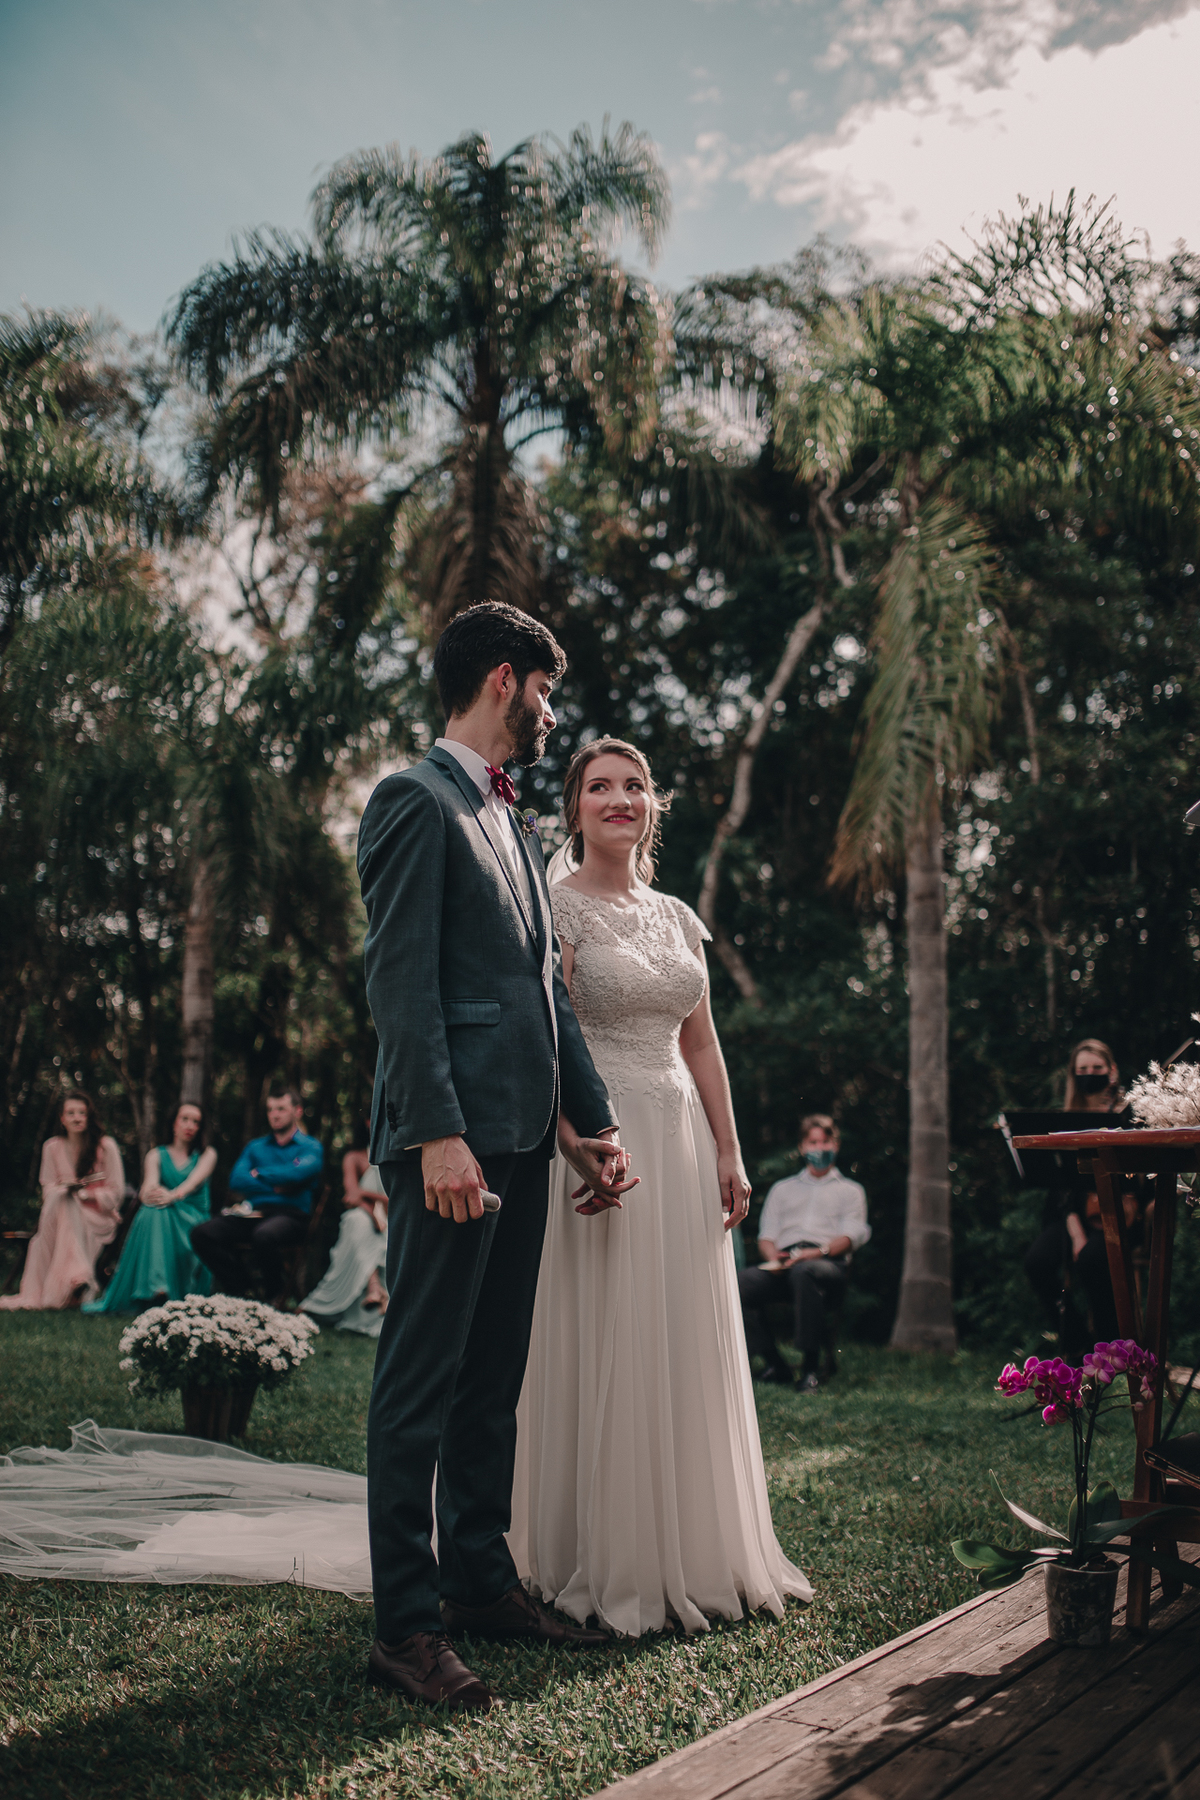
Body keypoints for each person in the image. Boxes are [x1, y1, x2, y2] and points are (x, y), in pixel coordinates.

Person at [357, 602, 634, 1714]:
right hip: (454, 1146)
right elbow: (402, 988)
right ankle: (405, 1628)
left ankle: (479, 1581)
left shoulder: (511, 824)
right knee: (417, 1385)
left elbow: (539, 993)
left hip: (521, 1140)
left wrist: (593, 1123)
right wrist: (437, 1136)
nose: (551, 715)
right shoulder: (412, 801)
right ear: (506, 679)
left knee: (492, 1380)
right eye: (545, 693)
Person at [511, 739, 810, 1636]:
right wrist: (574, 1140)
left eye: (633, 785)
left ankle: (698, 1546)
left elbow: (701, 1042)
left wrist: (731, 1149)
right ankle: (586, 1554)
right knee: (605, 1330)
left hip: (681, 1144)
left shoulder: (679, 917)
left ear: (653, 805)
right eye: (599, 787)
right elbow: (546, 1039)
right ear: (574, 810)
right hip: (604, 1143)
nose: (619, 798)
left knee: (680, 1332)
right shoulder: (553, 909)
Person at [737, 1116, 871, 1392]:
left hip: (827, 1263)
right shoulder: (782, 1189)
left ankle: (810, 1368)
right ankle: (775, 1364)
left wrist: (816, 1253)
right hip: (785, 1262)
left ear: (836, 1145)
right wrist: (775, 1258)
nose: (819, 1147)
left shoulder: (851, 1191)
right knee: (741, 1283)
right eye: (813, 1142)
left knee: (805, 1271)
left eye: (825, 1141)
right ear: (801, 1147)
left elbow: (851, 1237)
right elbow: (767, 1237)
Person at [1023, 1037, 1137, 1351]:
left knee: (1092, 1260)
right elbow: (1062, 1187)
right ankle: (1078, 1345)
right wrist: (1075, 1234)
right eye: (1082, 1069)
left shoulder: (1131, 1114)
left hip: (1118, 1212)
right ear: (1074, 1074)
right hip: (1071, 1215)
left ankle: (1110, 1344)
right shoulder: (1065, 1119)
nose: (1090, 1073)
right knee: (1038, 1261)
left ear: (1111, 1070)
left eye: (1096, 1067)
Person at [190, 1087, 323, 1303]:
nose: (274, 1114)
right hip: (252, 1214)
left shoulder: (311, 1147)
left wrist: (259, 1173)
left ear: (297, 1111)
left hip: (291, 1216)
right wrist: (278, 1184)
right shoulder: (256, 1147)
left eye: (281, 1108)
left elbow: (298, 1174)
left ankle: (274, 1296)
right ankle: (243, 1291)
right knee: (202, 1233)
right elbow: (237, 1180)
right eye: (270, 1109)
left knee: (264, 1235)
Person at [83, 1102, 216, 1314]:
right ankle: (159, 1288)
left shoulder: (207, 1154)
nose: (190, 1125)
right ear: (174, 1124)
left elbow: (192, 1184)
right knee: (152, 1210)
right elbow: (148, 1187)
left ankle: (158, 1286)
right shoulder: (156, 1155)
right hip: (164, 1215)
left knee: (155, 1211)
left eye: (196, 1122)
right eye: (185, 1119)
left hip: (193, 1219)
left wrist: (172, 1195)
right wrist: (151, 1193)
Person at [1, 1091, 125, 1310]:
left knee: (66, 1205)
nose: (77, 1118)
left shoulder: (106, 1146)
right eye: (71, 1113)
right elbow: (47, 1188)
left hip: (97, 1218)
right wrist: (66, 1191)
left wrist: (86, 1195)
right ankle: (76, 1280)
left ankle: (73, 1284)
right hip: (58, 1216)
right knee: (62, 1199)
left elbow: (117, 1193)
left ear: (88, 1117)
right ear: (62, 1118)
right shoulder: (52, 1147)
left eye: (82, 1113)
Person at [299, 1146, 389, 1337]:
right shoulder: (354, 1157)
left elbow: (394, 1200)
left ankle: (376, 1291)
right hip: (367, 1217)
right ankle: (374, 1287)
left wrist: (368, 1195)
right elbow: (352, 1196)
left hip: (394, 1219)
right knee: (355, 1221)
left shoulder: (400, 1154)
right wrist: (372, 1214)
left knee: (359, 1227)